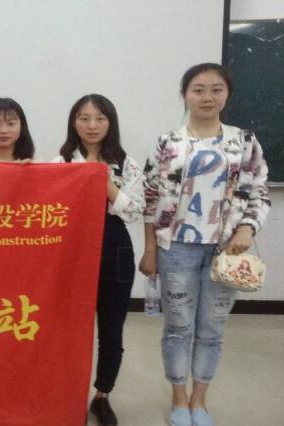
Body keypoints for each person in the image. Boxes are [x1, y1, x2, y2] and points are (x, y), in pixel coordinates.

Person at [138, 63, 270, 426]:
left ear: (227, 94)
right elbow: (150, 200)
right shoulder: (168, 142)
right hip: (176, 249)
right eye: (198, 89)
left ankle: (200, 400)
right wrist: (150, 249)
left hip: (226, 251)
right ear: (185, 95)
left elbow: (259, 192)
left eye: (216, 89)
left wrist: (248, 229)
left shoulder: (244, 141)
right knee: (178, 328)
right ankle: (179, 398)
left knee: (212, 330)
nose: (207, 97)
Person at [52, 94, 144, 426]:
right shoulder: (60, 162)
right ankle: (65, 393)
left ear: (110, 122)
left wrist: (104, 182)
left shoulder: (127, 164)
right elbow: (46, 206)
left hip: (114, 247)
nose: (92, 125)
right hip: (71, 249)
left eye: (100, 118)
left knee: (111, 329)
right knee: (66, 329)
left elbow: (135, 211)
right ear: (74, 122)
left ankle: (102, 395)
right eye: (84, 118)